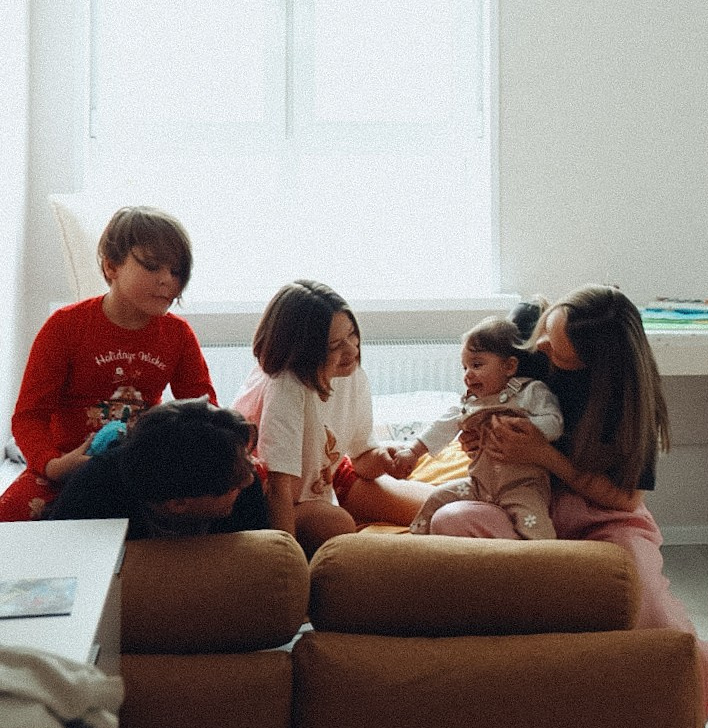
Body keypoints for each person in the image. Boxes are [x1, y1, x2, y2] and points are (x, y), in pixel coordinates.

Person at [427, 285, 708, 718]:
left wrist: (544, 457)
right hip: (520, 500)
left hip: (600, 513)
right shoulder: (530, 336)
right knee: (453, 520)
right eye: (544, 333)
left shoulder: (626, 402)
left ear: (589, 365)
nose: (540, 348)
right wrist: (479, 436)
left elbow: (625, 497)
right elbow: (482, 389)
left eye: (557, 353)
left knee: (644, 604)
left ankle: (694, 695)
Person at [0, 206, 217, 522]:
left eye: (177, 271)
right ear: (111, 266)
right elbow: (29, 417)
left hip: (140, 464)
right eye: (153, 266)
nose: (167, 281)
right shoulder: (66, 326)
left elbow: (203, 410)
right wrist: (53, 465)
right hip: (66, 461)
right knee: (10, 519)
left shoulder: (178, 334)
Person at [231, 280, 431, 557]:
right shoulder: (286, 385)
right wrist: (287, 562)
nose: (351, 350)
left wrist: (385, 459)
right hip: (267, 493)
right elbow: (280, 489)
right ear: (304, 352)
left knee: (438, 506)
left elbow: (362, 459)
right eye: (335, 345)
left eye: (352, 334)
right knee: (337, 523)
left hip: (324, 475)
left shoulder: (351, 374)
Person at [401, 317, 564, 538]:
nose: (468, 374)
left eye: (477, 365)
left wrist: (528, 428)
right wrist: (413, 452)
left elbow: (555, 422)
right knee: (438, 496)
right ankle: (418, 544)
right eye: (465, 367)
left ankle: (549, 562)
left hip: (522, 485)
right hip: (480, 485)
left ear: (509, 366)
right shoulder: (471, 403)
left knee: (533, 522)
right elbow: (442, 426)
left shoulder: (529, 391)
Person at [42, 398, 269, 539]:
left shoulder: (239, 473)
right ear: (178, 503)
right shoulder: (94, 494)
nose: (248, 480)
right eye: (234, 483)